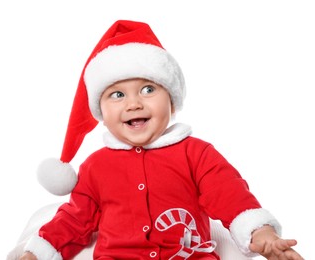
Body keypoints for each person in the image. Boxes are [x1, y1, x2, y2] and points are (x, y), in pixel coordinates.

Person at [19, 20, 303, 260]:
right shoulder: (96, 166)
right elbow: (74, 220)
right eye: (117, 95)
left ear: (172, 102)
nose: (133, 104)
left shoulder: (196, 153)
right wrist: (38, 251)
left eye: (147, 89)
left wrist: (260, 231)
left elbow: (229, 194)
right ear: (101, 113)